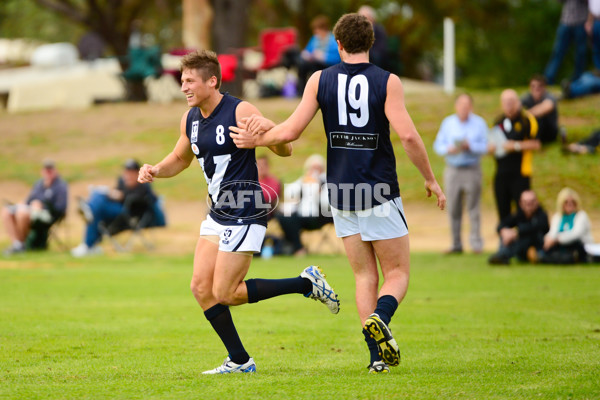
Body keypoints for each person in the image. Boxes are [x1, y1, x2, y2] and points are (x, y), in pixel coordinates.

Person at [230, 13, 446, 374]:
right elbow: (408, 136)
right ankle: (381, 317)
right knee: (397, 273)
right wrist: (430, 179)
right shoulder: (388, 81)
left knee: (364, 276)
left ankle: (377, 357)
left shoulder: (319, 79)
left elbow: (290, 132)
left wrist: (258, 139)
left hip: (341, 191)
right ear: (371, 43)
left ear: (338, 45)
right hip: (378, 189)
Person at [137, 50, 340, 374]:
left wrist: (264, 133)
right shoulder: (189, 118)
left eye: (190, 81)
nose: (184, 87)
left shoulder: (240, 109)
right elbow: (180, 158)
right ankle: (240, 361)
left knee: (226, 292)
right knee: (201, 288)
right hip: (218, 211)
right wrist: (155, 170)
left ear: (212, 81)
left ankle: (306, 283)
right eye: (182, 81)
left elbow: (285, 148)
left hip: (246, 207)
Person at [71, 159, 165, 257]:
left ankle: (88, 243)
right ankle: (90, 243)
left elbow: (149, 200)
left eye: (131, 172)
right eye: (126, 171)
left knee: (96, 207)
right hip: (118, 208)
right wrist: (112, 194)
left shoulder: (143, 184)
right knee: (98, 197)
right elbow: (116, 192)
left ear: (137, 172)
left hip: (129, 213)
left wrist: (122, 195)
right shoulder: (122, 181)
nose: (127, 174)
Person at [433, 93, 487, 254]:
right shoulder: (448, 123)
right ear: (456, 106)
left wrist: (471, 146)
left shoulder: (479, 123)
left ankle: (476, 244)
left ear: (471, 107)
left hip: (472, 169)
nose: (464, 108)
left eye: (467, 105)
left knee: (473, 208)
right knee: (453, 208)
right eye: (461, 105)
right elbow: (438, 145)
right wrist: (448, 149)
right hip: (453, 169)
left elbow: (486, 146)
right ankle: (456, 244)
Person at [488, 89, 541, 222]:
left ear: (518, 102)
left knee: (523, 211)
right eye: (505, 102)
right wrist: (491, 149)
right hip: (501, 172)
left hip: (520, 173)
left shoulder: (527, 120)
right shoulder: (498, 121)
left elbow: (536, 144)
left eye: (511, 101)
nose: (509, 105)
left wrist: (516, 146)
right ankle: (505, 240)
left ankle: (523, 239)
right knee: (503, 210)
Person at [2, 159, 68, 255]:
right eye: (46, 170)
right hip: (31, 211)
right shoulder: (39, 184)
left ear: (55, 171)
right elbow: (29, 200)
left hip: (49, 215)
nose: (48, 172)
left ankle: (21, 245)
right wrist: (24, 204)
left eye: (50, 170)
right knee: (6, 212)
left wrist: (43, 205)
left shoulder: (60, 186)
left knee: (22, 214)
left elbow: (60, 208)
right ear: (42, 171)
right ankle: (17, 244)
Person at [277, 154, 331, 256]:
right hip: (302, 215)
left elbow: (328, 204)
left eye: (317, 168)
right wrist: (303, 182)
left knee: (291, 220)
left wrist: (318, 191)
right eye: (312, 168)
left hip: (319, 217)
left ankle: (297, 248)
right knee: (282, 216)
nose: (315, 171)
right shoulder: (304, 180)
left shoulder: (326, 182)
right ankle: (296, 247)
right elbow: (290, 193)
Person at [488, 190, 549, 265]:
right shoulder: (519, 214)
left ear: (536, 202)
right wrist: (504, 231)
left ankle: (503, 256)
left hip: (538, 247)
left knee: (526, 236)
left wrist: (516, 232)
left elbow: (536, 227)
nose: (529, 206)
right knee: (507, 231)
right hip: (521, 249)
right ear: (521, 203)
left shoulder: (542, 215)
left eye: (531, 202)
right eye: (526, 203)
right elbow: (502, 224)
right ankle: (502, 254)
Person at [540, 187, 593, 263]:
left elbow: (576, 234)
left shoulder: (581, 215)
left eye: (572, 202)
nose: (569, 204)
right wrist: (548, 239)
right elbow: (553, 232)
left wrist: (557, 240)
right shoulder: (558, 216)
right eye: (566, 202)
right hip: (562, 246)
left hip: (579, 246)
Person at [544, 0, 589, 85]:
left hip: (581, 22)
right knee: (558, 51)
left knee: (580, 53)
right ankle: (548, 79)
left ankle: (577, 80)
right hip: (566, 21)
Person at [296, 15, 341, 92]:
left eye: (317, 29)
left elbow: (338, 58)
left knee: (313, 66)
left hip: (327, 65)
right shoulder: (315, 39)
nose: (315, 32)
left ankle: (317, 89)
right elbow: (307, 51)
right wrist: (306, 54)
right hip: (314, 63)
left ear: (323, 29)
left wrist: (324, 56)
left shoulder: (333, 40)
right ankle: (302, 90)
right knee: (302, 64)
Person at [521, 75, 559, 144]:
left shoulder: (549, 96)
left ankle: (534, 142)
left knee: (539, 117)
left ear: (544, 87)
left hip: (549, 132)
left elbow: (546, 107)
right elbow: (515, 107)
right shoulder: (527, 97)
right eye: (533, 86)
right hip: (534, 129)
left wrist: (524, 115)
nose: (536, 88)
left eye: (539, 86)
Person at [586, 0, 600, 70]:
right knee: (596, 49)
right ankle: (598, 71)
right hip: (595, 21)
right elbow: (591, 9)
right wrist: (589, 22)